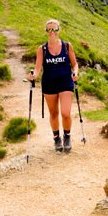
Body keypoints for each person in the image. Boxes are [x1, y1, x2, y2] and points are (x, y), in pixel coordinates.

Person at [28, 19, 79, 152]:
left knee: (65, 113)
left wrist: (75, 72)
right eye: (49, 29)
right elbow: (38, 68)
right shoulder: (42, 49)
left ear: (59, 30)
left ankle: (67, 136)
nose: (52, 32)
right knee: (54, 113)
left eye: (54, 29)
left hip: (65, 82)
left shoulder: (67, 46)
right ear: (46, 31)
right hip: (49, 84)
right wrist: (33, 76)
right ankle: (57, 138)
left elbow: (74, 64)